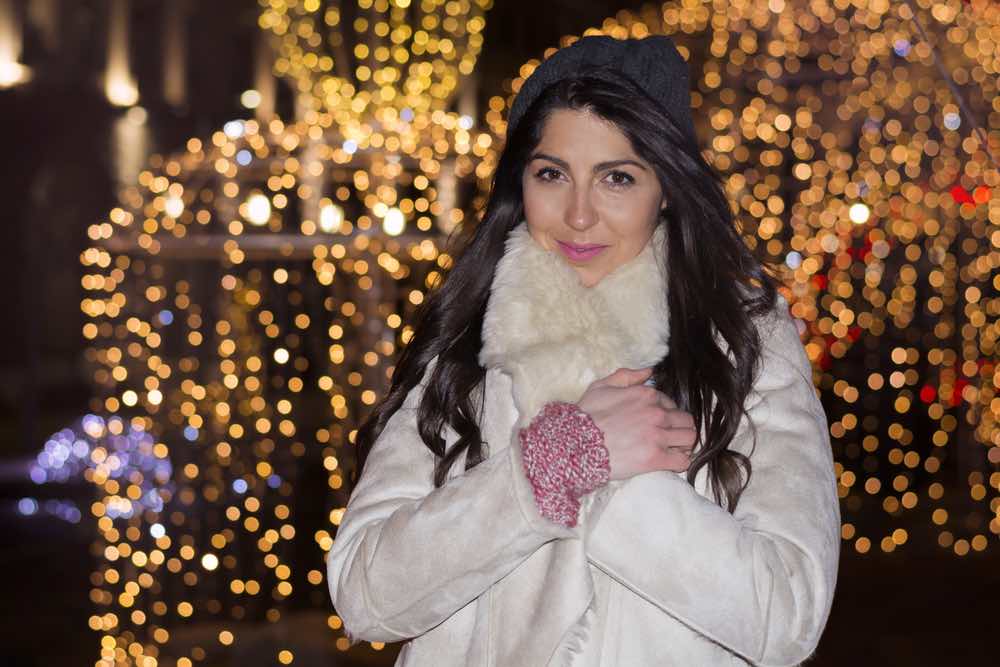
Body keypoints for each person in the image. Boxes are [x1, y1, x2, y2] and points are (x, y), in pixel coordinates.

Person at [327, 34, 840, 666]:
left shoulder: (740, 342)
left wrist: (619, 484)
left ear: (668, 188)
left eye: (616, 178)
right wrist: (556, 464)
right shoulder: (470, 342)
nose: (577, 215)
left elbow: (787, 617)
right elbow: (365, 595)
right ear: (523, 182)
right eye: (552, 174)